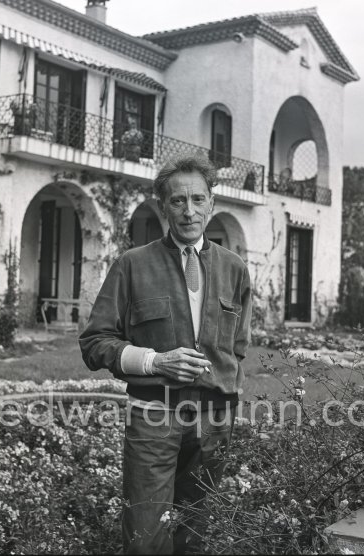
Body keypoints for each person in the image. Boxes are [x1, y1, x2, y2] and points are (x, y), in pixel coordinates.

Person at [79, 153, 251, 554]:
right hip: (153, 418)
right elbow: (94, 343)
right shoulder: (132, 265)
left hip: (214, 424)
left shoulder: (235, 269)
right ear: (162, 206)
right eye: (177, 201)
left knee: (197, 535)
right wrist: (155, 361)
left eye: (197, 199)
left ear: (211, 202)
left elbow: (237, 349)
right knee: (145, 537)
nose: (189, 211)